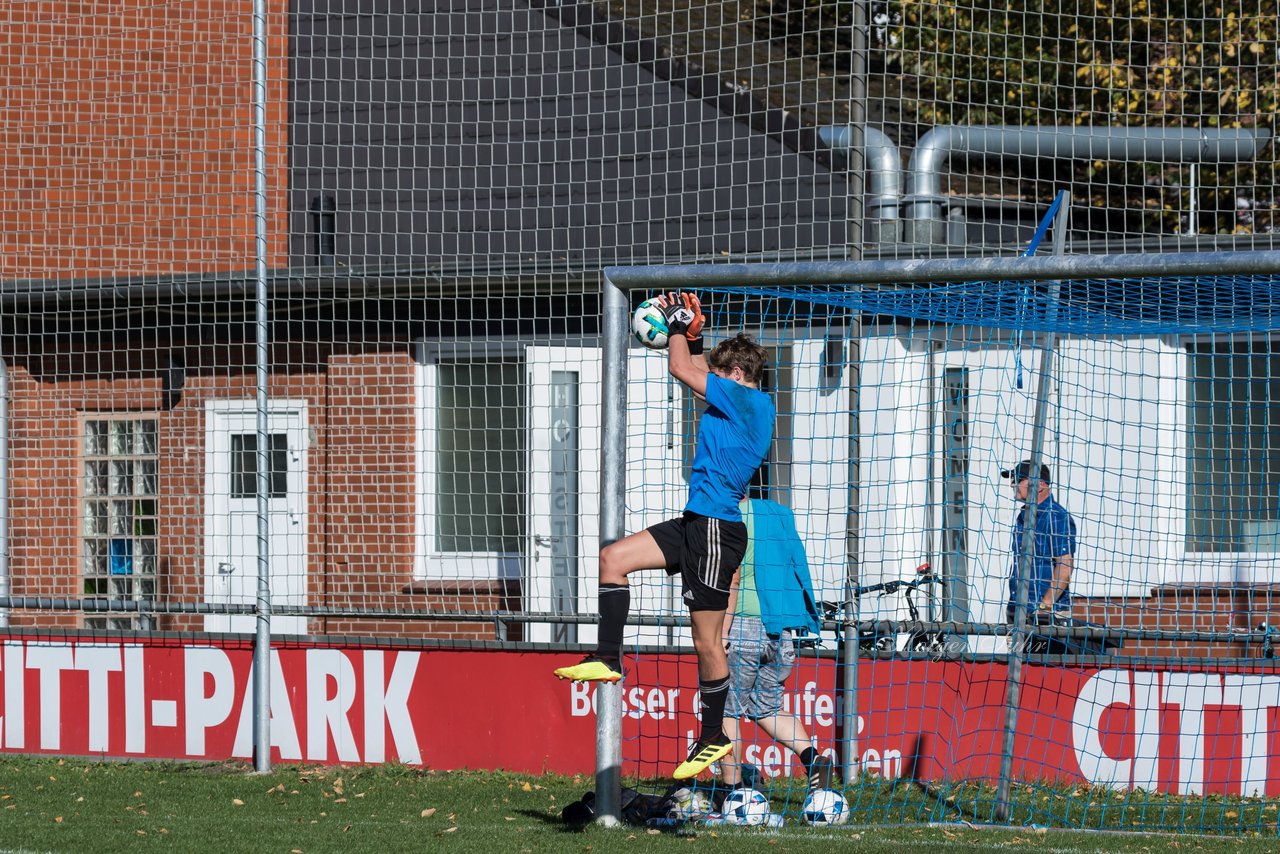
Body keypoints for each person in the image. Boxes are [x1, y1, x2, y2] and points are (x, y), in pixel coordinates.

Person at [553, 292, 776, 781]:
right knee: (613, 558)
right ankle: (608, 657)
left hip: (717, 531)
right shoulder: (733, 397)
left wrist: (676, 329)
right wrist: (693, 335)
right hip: (695, 521)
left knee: (706, 642)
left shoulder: (749, 400)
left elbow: (680, 369)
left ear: (736, 377)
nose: (710, 382)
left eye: (719, 374)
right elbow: (695, 370)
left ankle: (714, 736)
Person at [719, 496, 834, 794]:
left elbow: (732, 578)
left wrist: (721, 633)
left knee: (725, 713)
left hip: (741, 626)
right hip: (778, 629)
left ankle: (734, 796)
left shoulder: (725, 515)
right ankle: (813, 760)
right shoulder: (777, 514)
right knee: (767, 709)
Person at [1001, 460, 1077, 645]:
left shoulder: (1055, 516)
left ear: (1040, 484)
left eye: (1018, 479)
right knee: (1019, 671)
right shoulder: (1024, 516)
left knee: (1043, 671)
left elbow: (1065, 566)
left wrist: (1045, 606)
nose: (1013, 485)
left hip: (1045, 616)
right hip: (1021, 611)